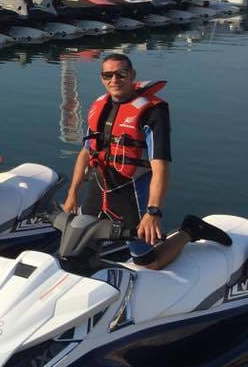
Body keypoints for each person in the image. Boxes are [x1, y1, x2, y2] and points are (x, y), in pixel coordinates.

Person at [62, 53, 230, 269]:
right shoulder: (99, 106)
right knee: (77, 247)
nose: (114, 80)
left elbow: (160, 168)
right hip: (99, 188)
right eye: (107, 75)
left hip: (132, 194)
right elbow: (86, 153)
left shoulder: (153, 112)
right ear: (101, 78)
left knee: (149, 263)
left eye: (121, 74)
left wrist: (153, 212)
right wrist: (72, 193)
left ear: (132, 75)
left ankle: (190, 230)